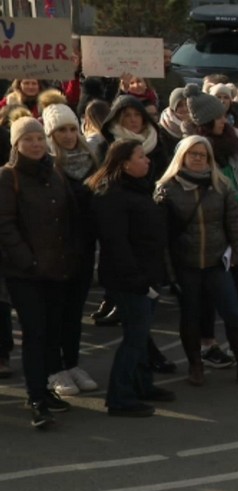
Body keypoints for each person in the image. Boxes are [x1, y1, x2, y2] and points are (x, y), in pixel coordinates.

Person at [155, 136, 238, 387]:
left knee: (232, 314)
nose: (198, 158)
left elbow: (234, 223)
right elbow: (162, 237)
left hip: (218, 263)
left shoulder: (221, 185)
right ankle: (195, 365)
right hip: (186, 264)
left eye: (203, 155)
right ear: (182, 157)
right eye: (193, 154)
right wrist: (170, 273)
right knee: (190, 317)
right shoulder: (167, 189)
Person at [0, 118, 83, 428]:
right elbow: (4, 224)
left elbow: (69, 217)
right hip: (26, 273)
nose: (35, 144)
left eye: (38, 138)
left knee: (51, 332)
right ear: (16, 144)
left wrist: (71, 256)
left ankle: (46, 388)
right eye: (28, 139)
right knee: (35, 333)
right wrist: (27, 261)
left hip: (58, 268)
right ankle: (36, 398)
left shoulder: (55, 172)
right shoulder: (8, 177)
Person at [90, 139, 176, 418]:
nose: (147, 160)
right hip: (129, 279)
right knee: (135, 338)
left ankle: (142, 385)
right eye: (140, 156)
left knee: (141, 335)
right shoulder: (113, 196)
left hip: (147, 274)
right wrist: (135, 278)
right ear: (125, 163)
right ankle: (120, 396)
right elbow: (116, 243)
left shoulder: (139, 189)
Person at [186, 84, 238, 365]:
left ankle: (236, 341)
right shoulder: (197, 148)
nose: (225, 120)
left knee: (233, 286)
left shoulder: (232, 139)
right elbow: (213, 182)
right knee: (210, 291)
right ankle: (207, 343)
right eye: (219, 117)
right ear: (206, 121)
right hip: (213, 226)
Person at [43, 103, 102, 397]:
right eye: (60, 131)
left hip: (83, 248)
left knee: (74, 312)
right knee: (54, 312)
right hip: (54, 251)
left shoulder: (92, 161)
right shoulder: (46, 166)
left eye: (71, 129)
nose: (68, 136)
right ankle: (54, 369)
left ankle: (72, 363)